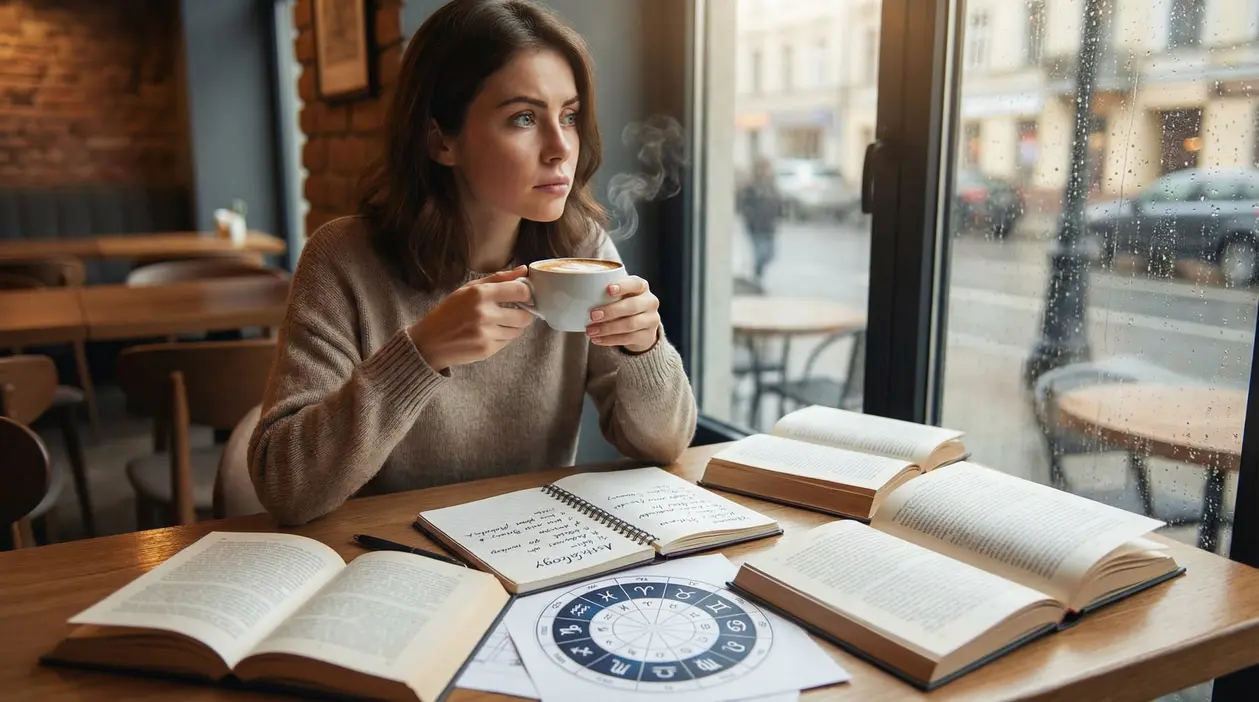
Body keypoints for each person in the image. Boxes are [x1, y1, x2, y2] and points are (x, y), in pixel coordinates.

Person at [248, 0, 697, 526]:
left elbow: (663, 445)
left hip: (536, 545)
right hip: (390, 552)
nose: (560, 149)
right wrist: (422, 353)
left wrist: (644, 348)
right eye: (524, 118)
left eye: (569, 116)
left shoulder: (582, 249)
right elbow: (285, 487)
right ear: (441, 139)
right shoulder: (343, 260)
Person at [737, 157, 784, 282]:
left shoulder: (771, 185)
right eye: (762, 168)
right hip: (756, 226)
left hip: (769, 225)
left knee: (770, 254)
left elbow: (777, 201)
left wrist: (778, 214)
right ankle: (757, 274)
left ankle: (758, 271)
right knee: (760, 252)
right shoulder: (751, 186)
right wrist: (751, 217)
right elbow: (744, 203)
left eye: (766, 168)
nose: (765, 171)